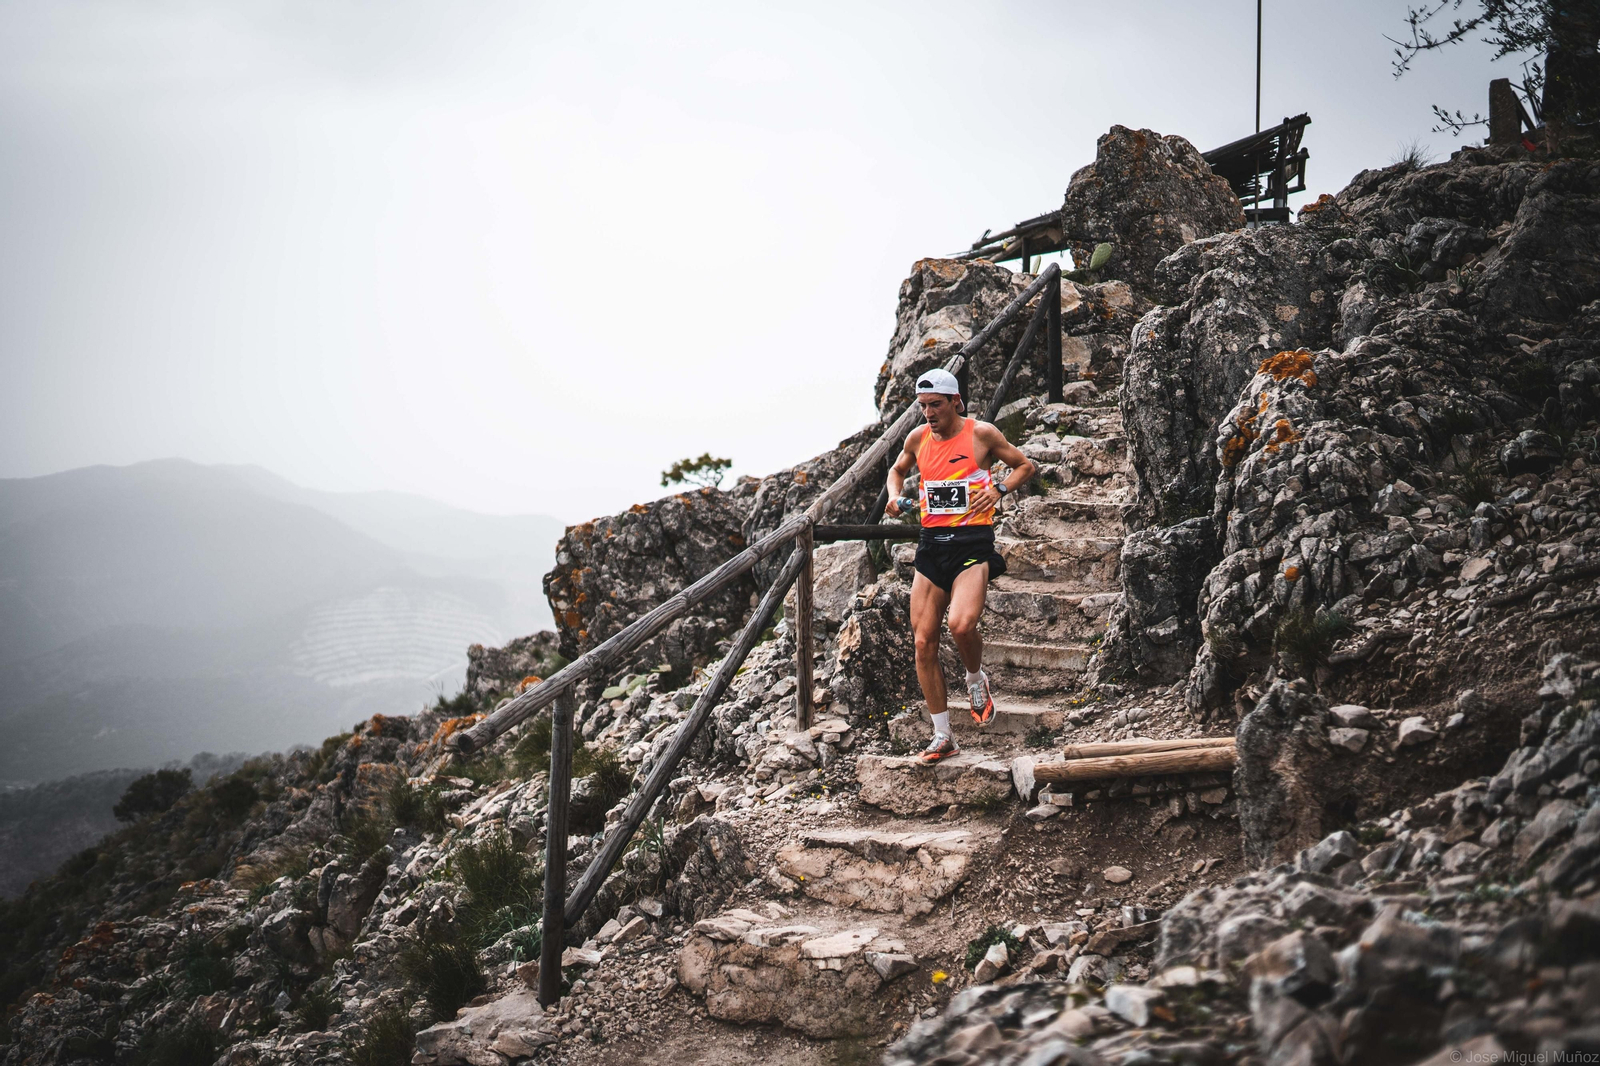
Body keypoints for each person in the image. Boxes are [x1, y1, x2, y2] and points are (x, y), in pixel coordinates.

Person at [885, 368, 1037, 763]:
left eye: (935, 405)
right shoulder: (917, 438)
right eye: (922, 406)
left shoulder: (981, 434)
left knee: (961, 625)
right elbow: (897, 470)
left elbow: (1024, 466)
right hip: (932, 546)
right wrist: (894, 496)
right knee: (923, 642)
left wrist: (998, 489)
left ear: (956, 401)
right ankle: (943, 736)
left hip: (972, 544)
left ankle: (974, 678)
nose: (928, 413)